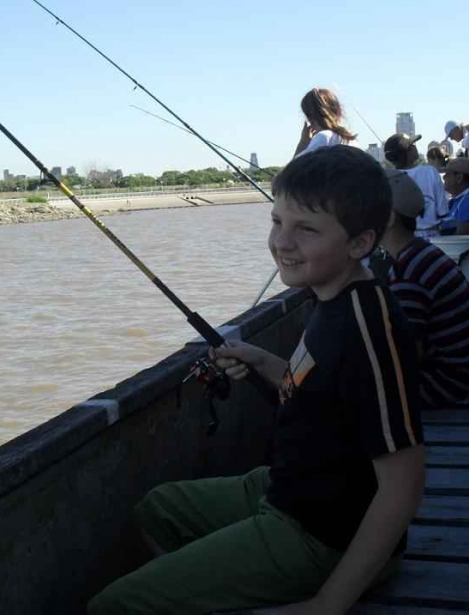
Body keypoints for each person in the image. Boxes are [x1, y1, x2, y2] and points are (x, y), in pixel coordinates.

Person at [88, 146, 425, 615]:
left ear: (359, 243)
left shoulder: (369, 328)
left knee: (116, 605)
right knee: (159, 509)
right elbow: (320, 389)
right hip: (289, 487)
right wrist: (262, 360)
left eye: (306, 229)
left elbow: (404, 483)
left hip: (322, 533)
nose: (281, 242)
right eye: (276, 221)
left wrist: (328, 603)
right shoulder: (330, 296)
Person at [381, 171, 469, 408]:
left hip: (441, 385)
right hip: (461, 374)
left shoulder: (408, 271)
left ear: (388, 218)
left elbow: (407, 356)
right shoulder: (422, 252)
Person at [383, 132, 448, 238]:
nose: (415, 147)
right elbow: (442, 212)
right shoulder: (430, 172)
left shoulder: (389, 179)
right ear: (406, 152)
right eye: (412, 145)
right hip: (432, 237)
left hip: (401, 239)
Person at [294, 88, 359, 157]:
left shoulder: (323, 138)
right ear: (339, 111)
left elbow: (294, 167)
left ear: (309, 118)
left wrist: (302, 143)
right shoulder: (351, 139)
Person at [442, 157, 469, 235]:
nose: (444, 177)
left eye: (447, 173)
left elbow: (462, 236)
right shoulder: (459, 199)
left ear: (459, 178)